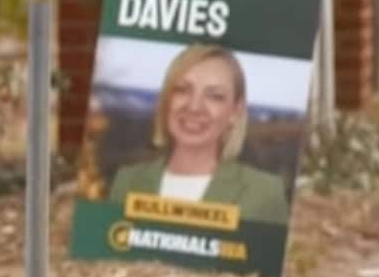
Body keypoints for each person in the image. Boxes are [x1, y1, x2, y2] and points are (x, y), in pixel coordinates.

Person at [107, 44, 290, 225]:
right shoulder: (127, 180)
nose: (194, 107)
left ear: (235, 112)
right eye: (182, 90)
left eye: (214, 96)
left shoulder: (266, 192)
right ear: (166, 100)